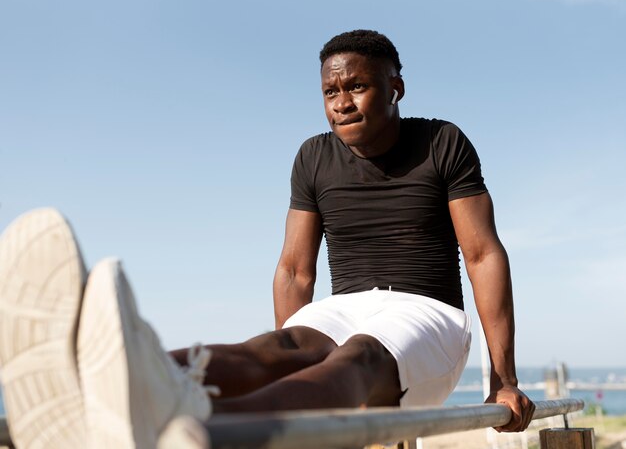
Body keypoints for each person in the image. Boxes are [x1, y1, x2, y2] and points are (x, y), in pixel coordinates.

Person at [0, 29, 535, 449]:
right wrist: (295, 366)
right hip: (342, 307)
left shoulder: (442, 141)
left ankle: (190, 431)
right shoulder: (313, 156)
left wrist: (502, 377)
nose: (342, 102)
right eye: (331, 91)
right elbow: (295, 271)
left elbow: (483, 253)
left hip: (427, 313)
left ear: (396, 87)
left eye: (357, 86)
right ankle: (106, 374)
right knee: (275, 346)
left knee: (359, 359)